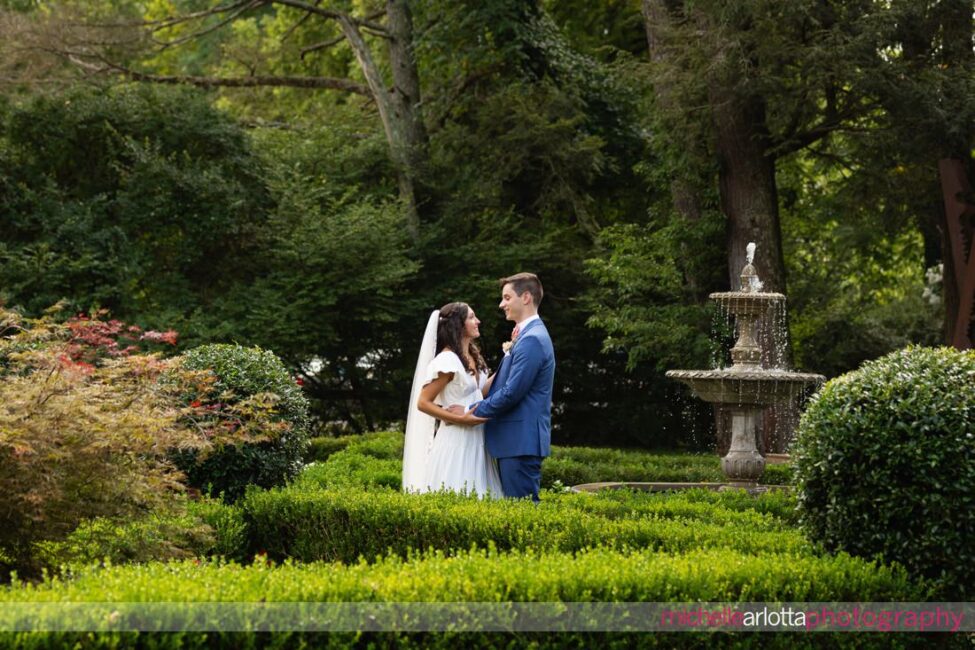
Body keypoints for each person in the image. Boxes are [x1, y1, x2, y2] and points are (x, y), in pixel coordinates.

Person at [451, 273, 555, 502]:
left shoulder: (532, 339)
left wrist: (470, 412)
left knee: (523, 514)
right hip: (515, 440)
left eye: (507, 298)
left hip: (521, 441)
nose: (502, 304)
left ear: (526, 297)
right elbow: (502, 382)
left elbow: (511, 392)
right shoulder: (526, 335)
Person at [402, 302, 503, 498]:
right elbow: (423, 402)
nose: (478, 321)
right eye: (472, 317)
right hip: (456, 440)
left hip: (478, 437)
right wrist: (459, 419)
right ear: (458, 324)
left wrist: (508, 361)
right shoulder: (447, 360)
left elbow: (479, 391)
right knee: (459, 490)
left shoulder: (472, 355)